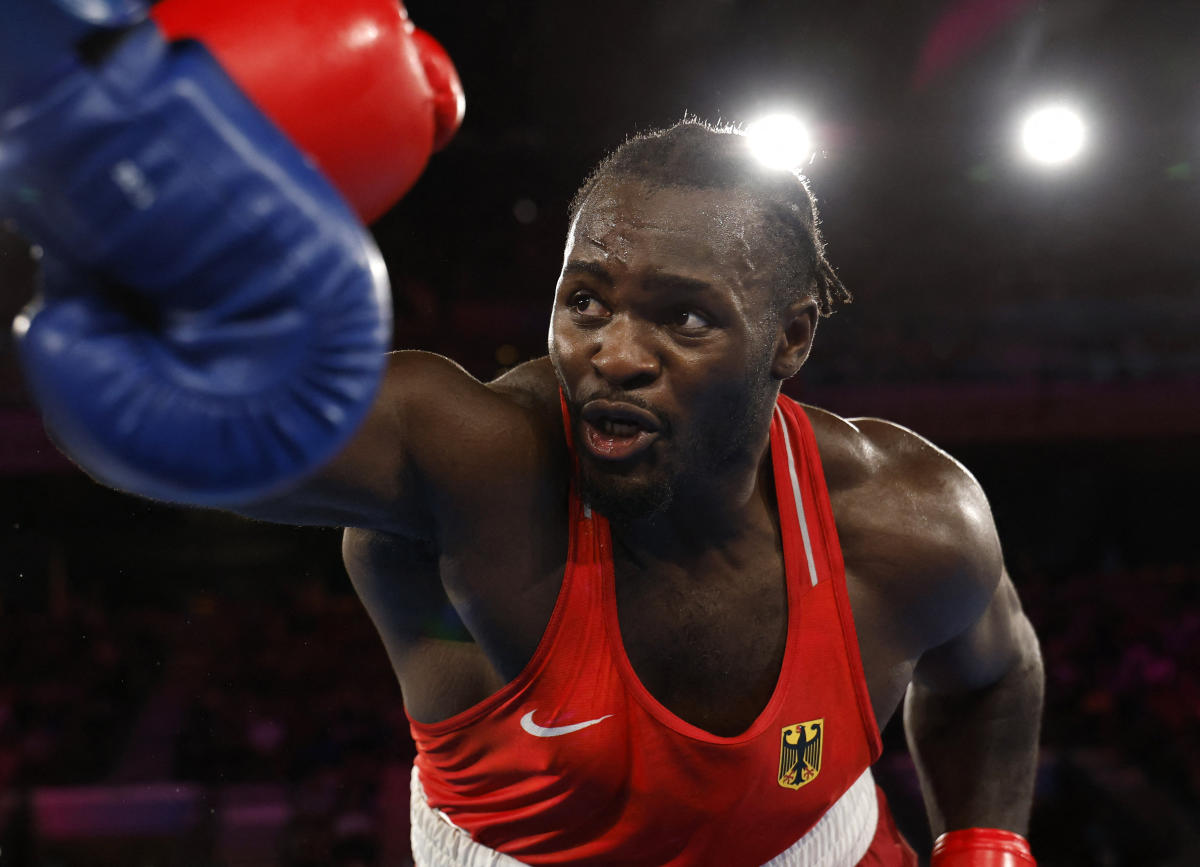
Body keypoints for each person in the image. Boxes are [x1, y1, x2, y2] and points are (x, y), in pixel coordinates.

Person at [3, 5, 1043, 866]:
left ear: (791, 340)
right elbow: (178, 440)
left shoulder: (904, 518)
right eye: (586, 300)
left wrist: (987, 843)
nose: (614, 354)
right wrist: (105, 228)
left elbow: (995, 670)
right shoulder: (476, 460)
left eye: (683, 318)